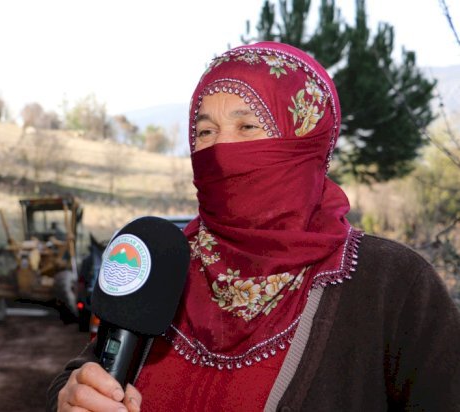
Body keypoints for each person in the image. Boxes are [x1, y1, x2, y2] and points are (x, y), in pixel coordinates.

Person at [46, 41, 460, 411]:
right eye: (205, 131)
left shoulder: (394, 284)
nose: (221, 150)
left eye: (247, 127)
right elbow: (92, 371)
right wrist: (71, 396)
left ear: (306, 141)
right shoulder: (164, 262)